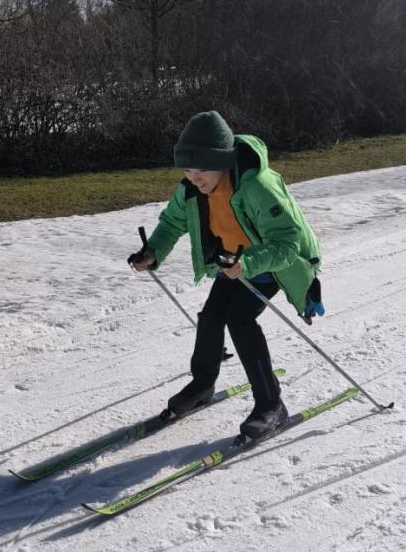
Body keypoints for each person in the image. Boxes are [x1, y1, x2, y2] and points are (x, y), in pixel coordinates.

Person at [128, 109, 323, 441]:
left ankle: (271, 405)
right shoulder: (192, 189)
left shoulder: (257, 185)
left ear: (220, 161)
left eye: (199, 169)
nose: (193, 178)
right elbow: (173, 222)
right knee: (211, 316)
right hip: (232, 260)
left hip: (269, 262)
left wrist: (246, 265)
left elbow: (287, 243)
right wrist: (153, 251)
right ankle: (203, 385)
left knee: (240, 319)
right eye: (187, 170)